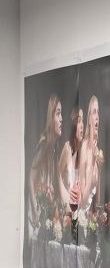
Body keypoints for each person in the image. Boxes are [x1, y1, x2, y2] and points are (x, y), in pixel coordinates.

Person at [29, 94, 62, 224]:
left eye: (61, 114)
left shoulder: (53, 148)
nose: (61, 119)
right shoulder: (44, 145)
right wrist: (35, 212)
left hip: (45, 215)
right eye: (58, 114)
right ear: (51, 117)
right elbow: (31, 180)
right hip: (36, 218)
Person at [77, 96, 103, 210]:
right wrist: (92, 164)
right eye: (93, 112)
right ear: (88, 119)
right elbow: (82, 201)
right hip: (80, 213)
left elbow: (98, 202)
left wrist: (100, 170)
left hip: (91, 219)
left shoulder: (98, 151)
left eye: (98, 112)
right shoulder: (84, 147)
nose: (97, 117)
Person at [57, 106, 84, 213]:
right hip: (64, 209)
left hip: (77, 209)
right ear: (73, 125)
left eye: (83, 121)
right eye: (79, 121)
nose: (82, 126)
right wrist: (67, 193)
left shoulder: (81, 154)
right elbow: (56, 177)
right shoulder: (67, 148)